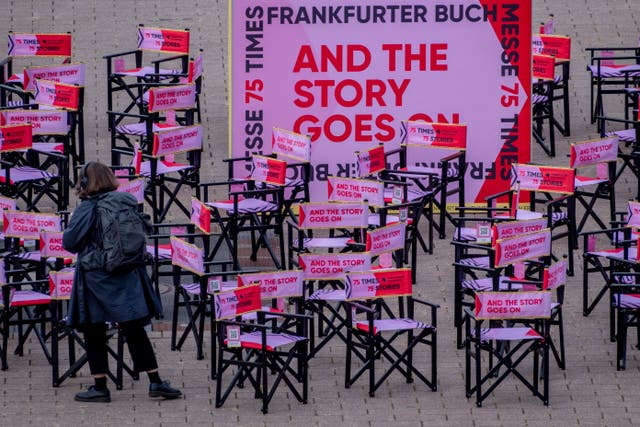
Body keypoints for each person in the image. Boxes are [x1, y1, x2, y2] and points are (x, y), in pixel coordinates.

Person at [63, 161, 182, 402]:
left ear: (85, 183)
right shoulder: (125, 201)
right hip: (127, 273)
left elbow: (70, 243)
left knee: (93, 329)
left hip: (96, 275)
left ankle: (100, 387)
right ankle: (156, 382)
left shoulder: (88, 208)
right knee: (134, 329)